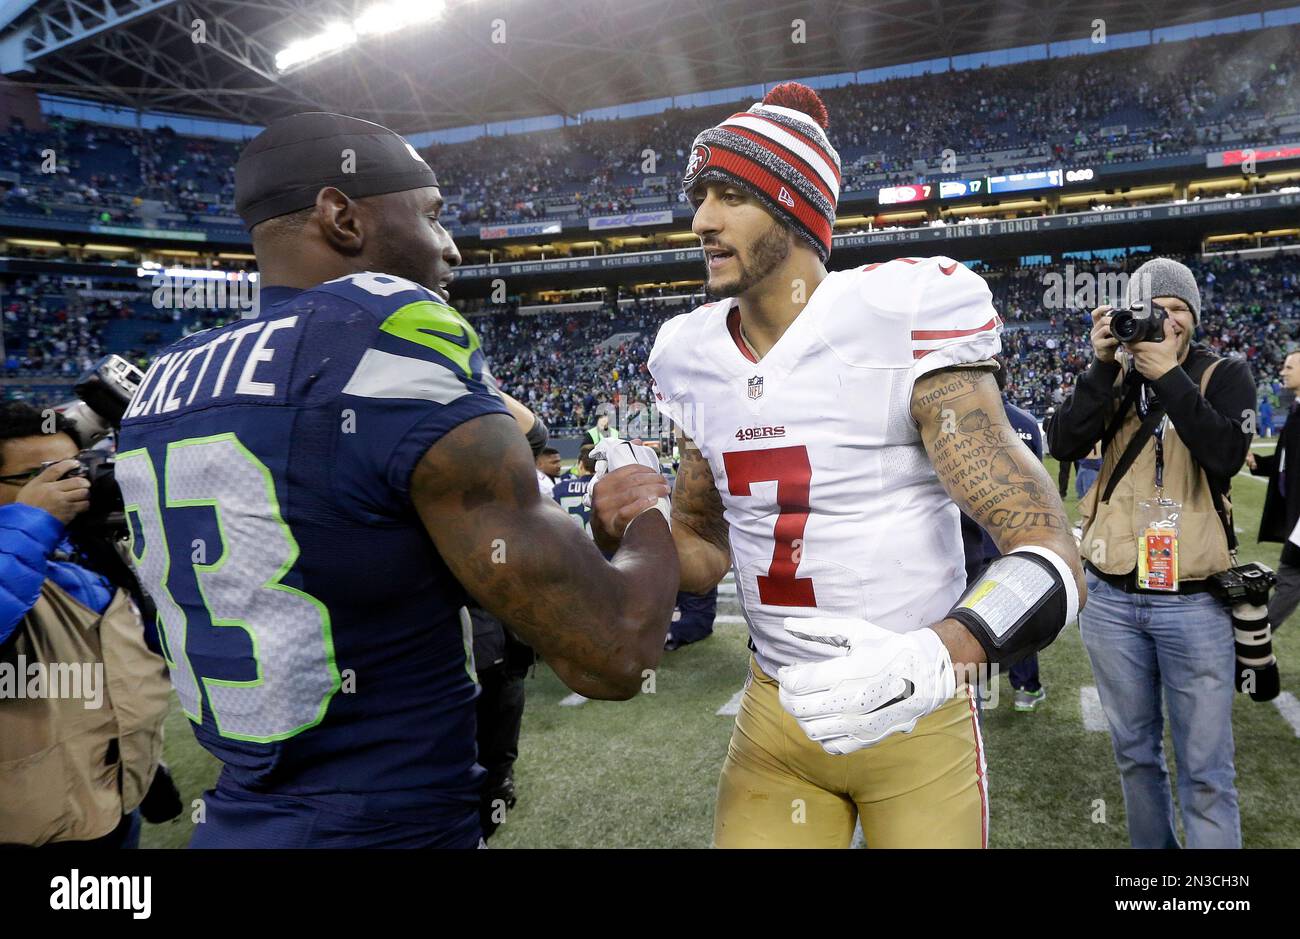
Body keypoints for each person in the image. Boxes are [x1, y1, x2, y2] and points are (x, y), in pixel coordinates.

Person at [116, 112, 679, 849]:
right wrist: (648, 511)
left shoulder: (164, 380)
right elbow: (614, 651)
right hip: (389, 829)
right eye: (435, 215)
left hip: (234, 821)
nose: (449, 244)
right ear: (341, 216)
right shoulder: (387, 333)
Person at [593, 83, 1083, 849]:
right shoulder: (691, 354)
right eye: (698, 196)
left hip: (914, 711)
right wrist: (631, 520)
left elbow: (1047, 551)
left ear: (792, 209)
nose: (702, 220)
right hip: (774, 714)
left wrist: (936, 654)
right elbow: (702, 547)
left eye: (729, 195)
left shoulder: (900, 317)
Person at [1048, 257, 1255, 849]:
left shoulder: (1224, 373)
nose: (1164, 318)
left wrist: (1168, 374)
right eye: (1150, 309)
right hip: (1112, 598)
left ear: (1195, 316)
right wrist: (1099, 365)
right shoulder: (1114, 375)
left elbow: (1223, 455)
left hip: (1194, 603)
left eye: (1177, 308)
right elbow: (1063, 442)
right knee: (1136, 757)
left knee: (1206, 771)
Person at [0, 402, 171, 848]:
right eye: (43, 477)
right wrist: (33, 520)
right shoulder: (30, 540)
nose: (71, 488)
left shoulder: (82, 550)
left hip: (109, 802)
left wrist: (146, 768)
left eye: (73, 472)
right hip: (28, 829)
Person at [960, 359, 1048, 712]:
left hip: (968, 541)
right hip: (1015, 539)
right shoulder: (1026, 423)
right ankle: (1026, 687)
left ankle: (973, 692)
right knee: (1015, 620)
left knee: (968, 620)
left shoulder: (961, 425)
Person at [1248, 349, 1300, 630]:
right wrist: (1261, 463)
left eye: (1290, 367)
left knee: (1289, 578)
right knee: (1290, 579)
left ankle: (1255, 642)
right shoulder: (1296, 408)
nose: (1283, 371)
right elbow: (1289, 461)